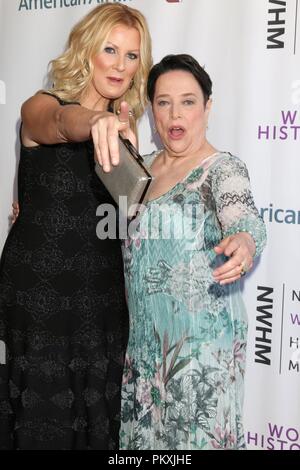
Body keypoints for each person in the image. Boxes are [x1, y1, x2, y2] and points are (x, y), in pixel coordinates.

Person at [0, 3, 152, 450]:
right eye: (110, 49)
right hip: (40, 302)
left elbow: (122, 222)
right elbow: (60, 124)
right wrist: (96, 121)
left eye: (131, 55)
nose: (121, 65)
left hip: (100, 303)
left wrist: (132, 165)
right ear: (87, 51)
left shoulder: (126, 131)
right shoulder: (40, 106)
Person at [120, 54, 266, 450]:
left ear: (207, 107)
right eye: (163, 102)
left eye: (188, 101)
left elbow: (243, 217)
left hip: (199, 364)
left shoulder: (222, 169)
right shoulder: (139, 171)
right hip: (144, 358)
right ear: (151, 109)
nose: (174, 113)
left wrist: (245, 241)